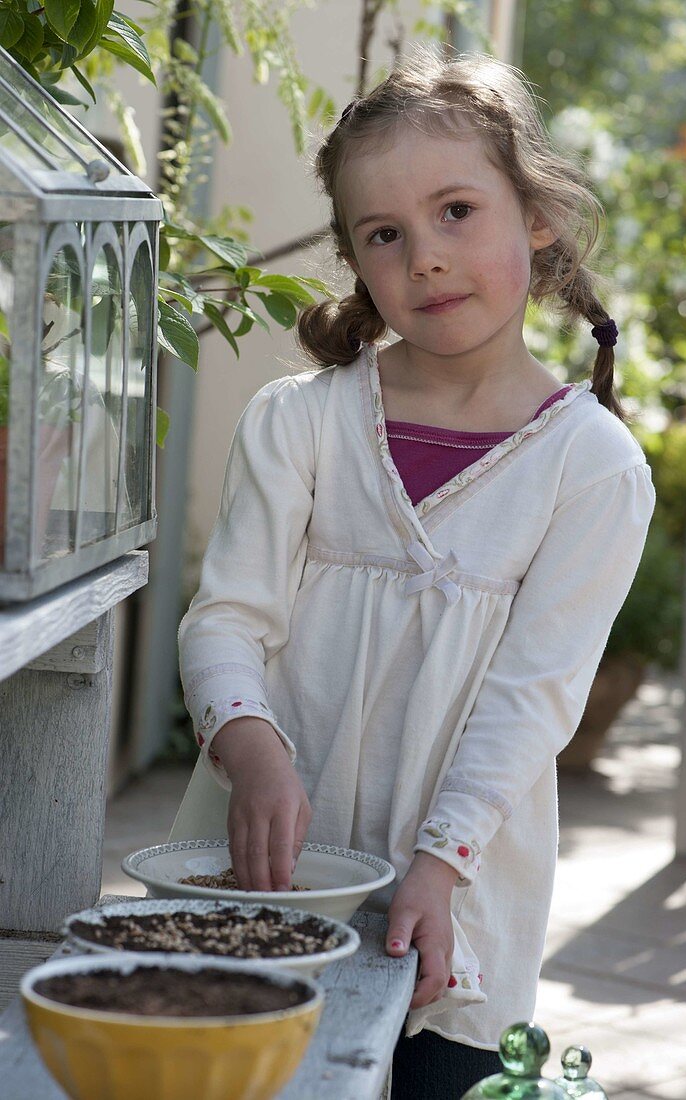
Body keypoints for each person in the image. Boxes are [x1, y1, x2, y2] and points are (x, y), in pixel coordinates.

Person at [171, 50, 655, 1099]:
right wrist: (251, 751)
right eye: (384, 234)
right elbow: (225, 621)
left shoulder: (592, 466)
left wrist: (437, 863)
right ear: (354, 257)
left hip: (464, 896)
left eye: (456, 211)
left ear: (535, 215)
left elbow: (533, 699)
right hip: (266, 887)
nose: (425, 257)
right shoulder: (298, 421)